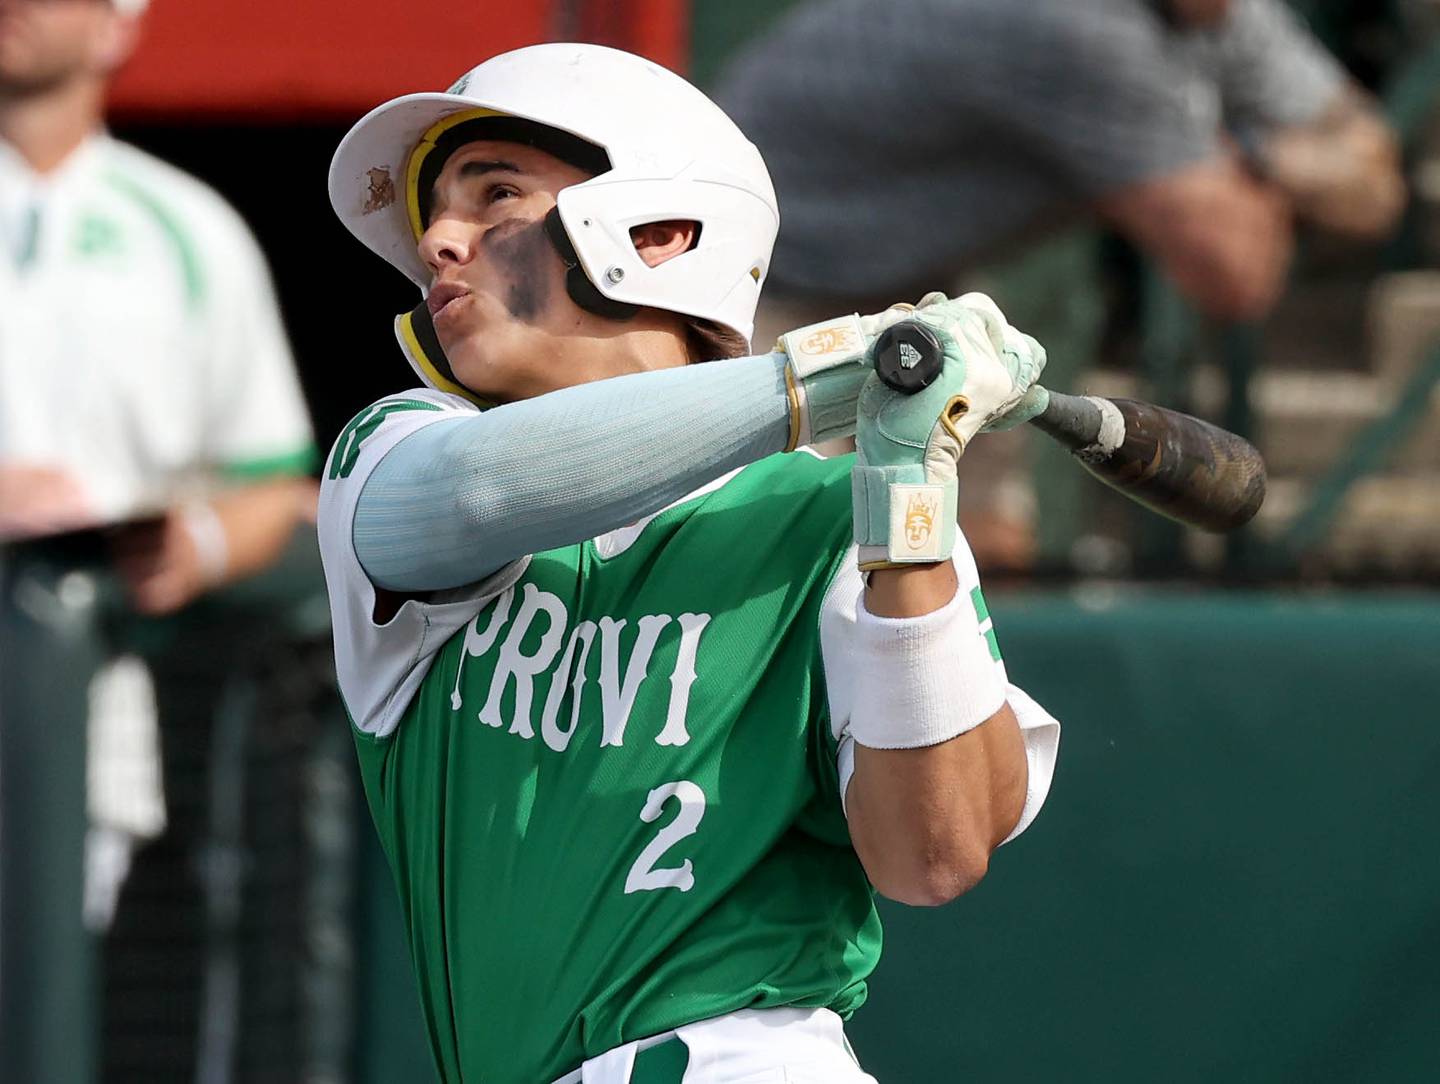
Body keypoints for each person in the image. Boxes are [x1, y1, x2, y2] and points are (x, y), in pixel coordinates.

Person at [321, 42, 1061, 1083]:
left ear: (663, 233)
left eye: (495, 196)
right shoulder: (395, 453)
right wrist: (832, 375)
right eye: (437, 212)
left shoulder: (839, 513)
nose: (439, 240)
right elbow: (482, 491)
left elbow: (935, 855)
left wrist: (907, 497)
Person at [0, 0, 316, 1077]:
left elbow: (274, 480)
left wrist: (197, 542)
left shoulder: (185, 227)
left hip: (95, 712)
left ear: (114, 26)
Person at [716, 0, 1404, 330]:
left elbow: (1377, 175)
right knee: (805, 575)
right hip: (755, 285)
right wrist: (1282, 166)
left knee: (971, 562)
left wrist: (1255, 160)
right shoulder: (1077, 28)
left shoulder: (1223, 15)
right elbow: (1236, 275)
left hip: (912, 287)